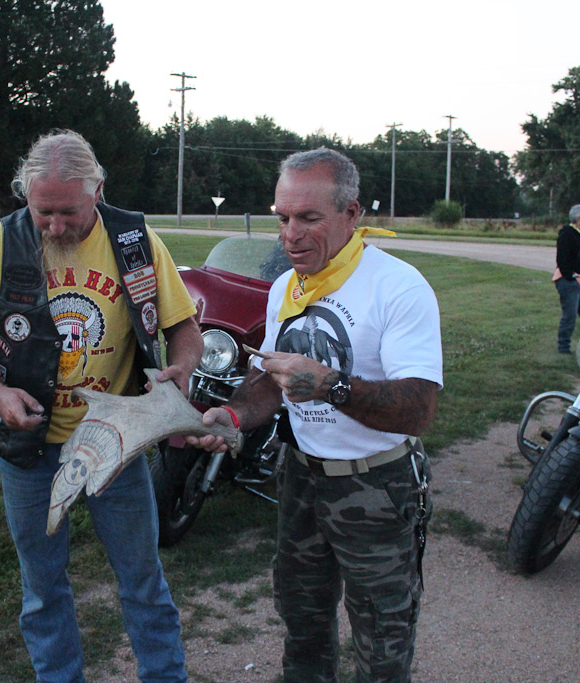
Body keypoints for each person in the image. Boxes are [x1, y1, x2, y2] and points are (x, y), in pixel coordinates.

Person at [0, 130, 201, 682]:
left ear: (98, 191)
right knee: (43, 590)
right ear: (25, 196)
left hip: (118, 439)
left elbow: (185, 328)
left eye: (69, 213)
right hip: (30, 451)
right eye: (42, 211)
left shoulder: (134, 240)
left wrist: (179, 370)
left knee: (143, 582)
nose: (55, 226)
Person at [188, 148, 443, 682]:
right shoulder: (287, 285)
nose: (290, 235)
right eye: (282, 218)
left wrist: (330, 385)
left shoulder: (398, 286)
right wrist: (232, 418)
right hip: (302, 477)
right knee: (301, 621)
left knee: (382, 638)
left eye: (308, 218)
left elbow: (419, 410)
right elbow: (268, 381)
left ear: (351, 214)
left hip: (376, 486)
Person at [553, 204, 580, 353]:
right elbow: (562, 261)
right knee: (570, 316)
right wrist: (573, 277)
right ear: (578, 219)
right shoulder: (566, 234)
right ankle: (563, 347)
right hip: (569, 281)